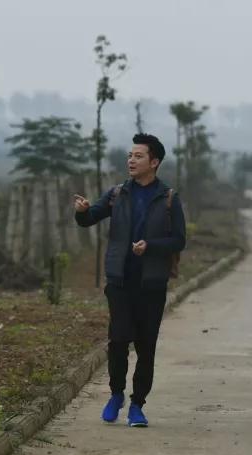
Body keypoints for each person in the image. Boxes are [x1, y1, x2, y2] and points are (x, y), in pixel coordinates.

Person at [74, 133, 186, 427]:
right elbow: (90, 218)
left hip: (152, 284)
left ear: (154, 162)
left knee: (146, 346)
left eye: (138, 156)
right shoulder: (117, 194)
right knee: (119, 340)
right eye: (130, 156)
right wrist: (82, 212)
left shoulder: (169, 198)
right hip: (120, 281)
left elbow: (179, 240)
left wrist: (150, 246)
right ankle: (116, 394)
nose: (131, 161)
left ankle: (137, 405)